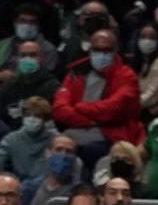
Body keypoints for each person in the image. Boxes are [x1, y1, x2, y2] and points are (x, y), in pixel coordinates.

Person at [52, 28, 144, 168]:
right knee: (55, 145)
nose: (101, 55)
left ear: (115, 50)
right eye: (97, 49)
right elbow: (59, 109)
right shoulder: (76, 73)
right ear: (90, 50)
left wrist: (79, 106)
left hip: (112, 135)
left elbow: (113, 110)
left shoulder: (126, 76)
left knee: (87, 149)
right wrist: (90, 122)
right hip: (80, 129)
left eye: (107, 50)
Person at [0, 38, 60, 128]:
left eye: (33, 55)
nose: (28, 59)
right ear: (17, 59)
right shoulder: (8, 86)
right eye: (23, 55)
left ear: (42, 58)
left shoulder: (52, 86)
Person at [22, 134, 82, 205]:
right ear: (47, 153)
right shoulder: (29, 188)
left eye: (69, 152)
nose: (63, 155)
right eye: (59, 149)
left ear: (75, 158)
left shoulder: (79, 194)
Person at [0, 96, 56, 181]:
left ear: (45, 119)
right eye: (28, 115)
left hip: (46, 187)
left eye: (37, 116)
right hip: (18, 187)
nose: (32, 119)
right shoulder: (11, 139)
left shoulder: (55, 140)